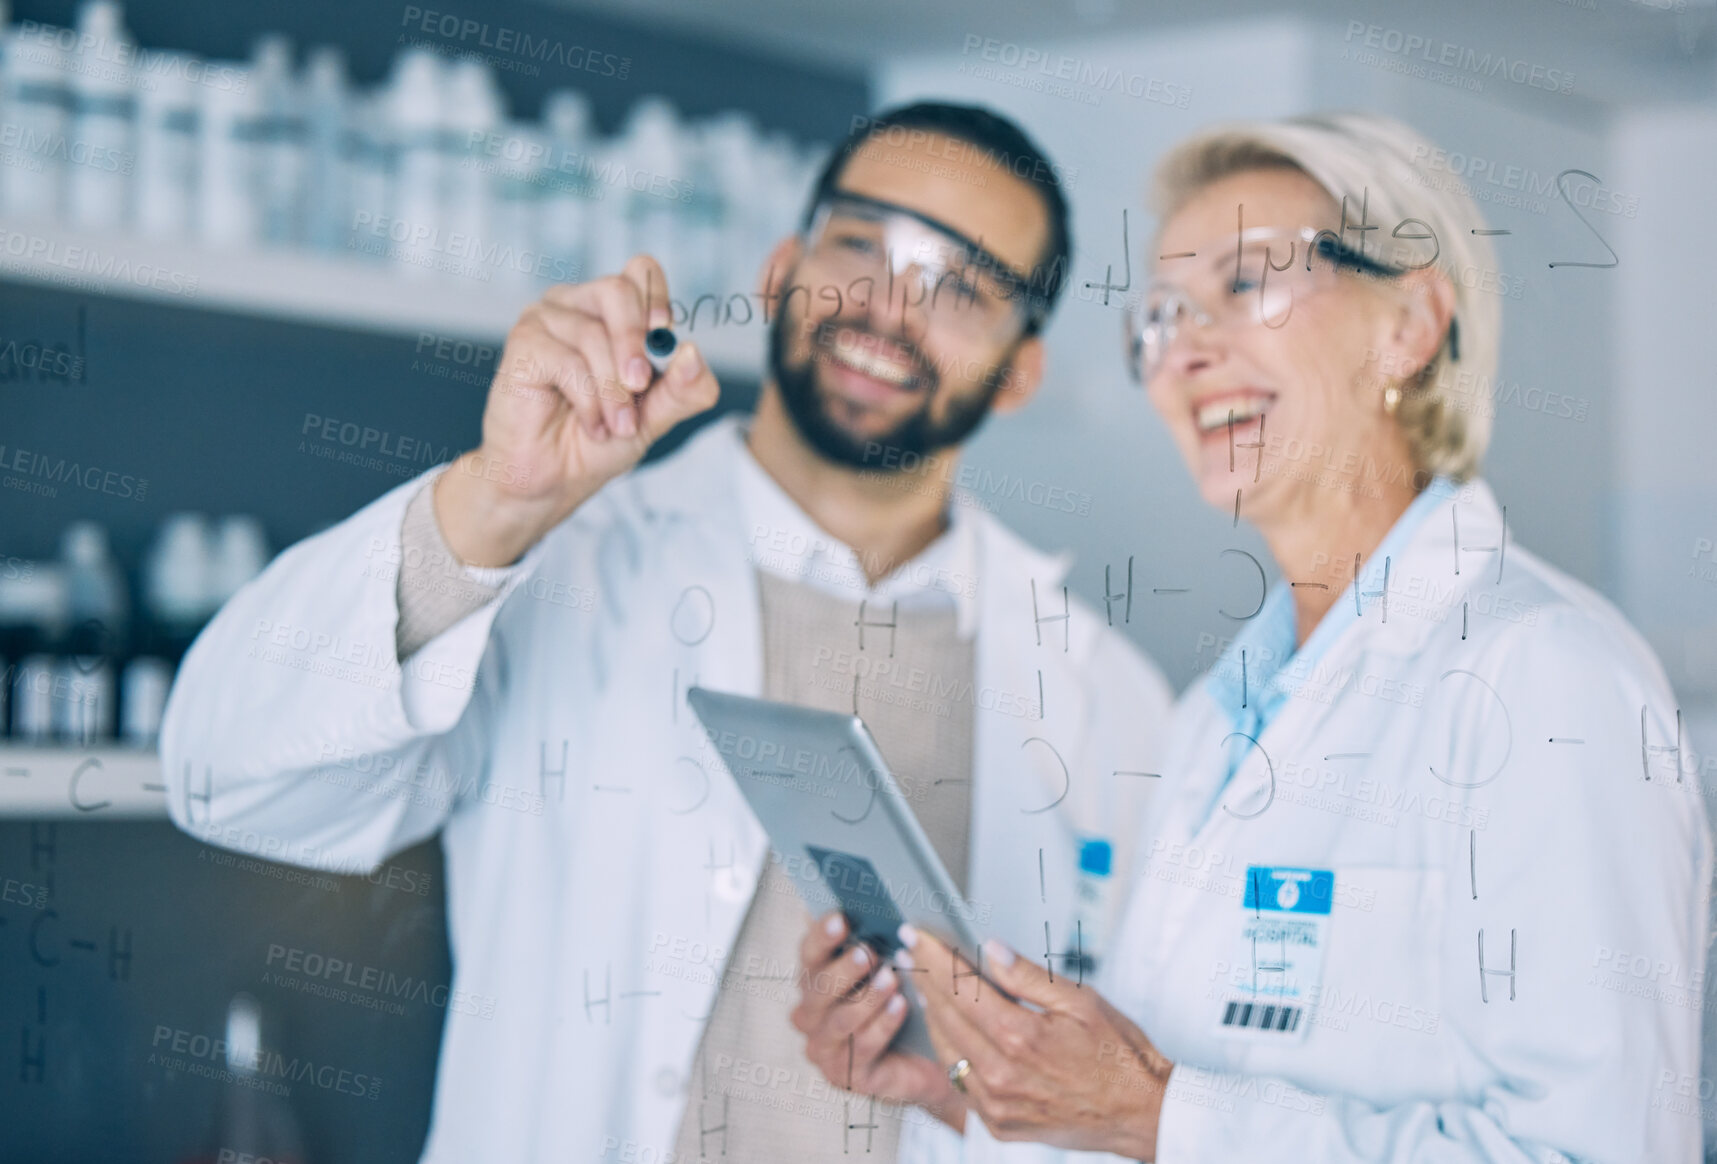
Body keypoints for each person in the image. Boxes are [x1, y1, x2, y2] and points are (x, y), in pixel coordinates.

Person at [159, 102, 1173, 1163]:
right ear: (782, 268)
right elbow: (223, 779)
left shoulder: (1108, 700)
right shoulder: (568, 567)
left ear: (1020, 370)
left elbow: (1119, 1095)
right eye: (861, 244)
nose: (885, 306)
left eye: (959, 286)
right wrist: (492, 504)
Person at [793, 112, 1712, 1162]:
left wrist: (1155, 1112)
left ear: (1408, 323)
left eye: (1246, 282)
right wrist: (974, 1096)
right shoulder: (1212, 719)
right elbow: (1158, 1119)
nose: (1184, 349)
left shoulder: (1544, 679)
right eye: (1162, 316)